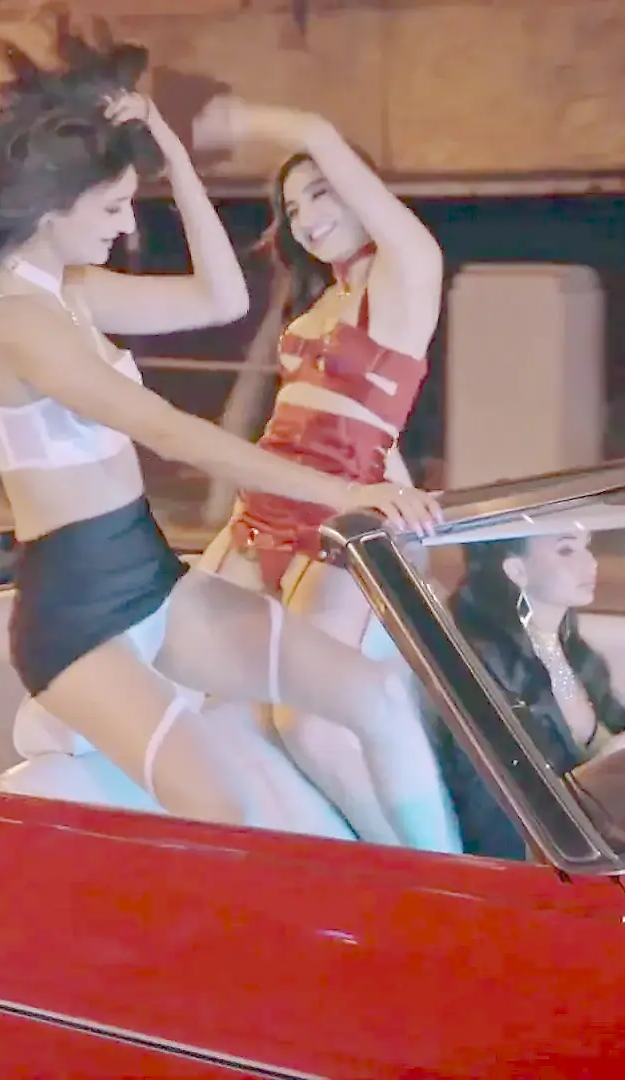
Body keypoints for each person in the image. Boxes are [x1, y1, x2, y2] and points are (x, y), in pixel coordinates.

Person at [0, 8, 456, 850]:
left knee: (372, 697)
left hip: (153, 583)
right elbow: (167, 431)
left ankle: (455, 893)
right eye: (114, 206)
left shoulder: (72, 293)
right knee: (229, 809)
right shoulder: (13, 322)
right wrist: (348, 492)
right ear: (52, 206)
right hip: (81, 618)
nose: (129, 227)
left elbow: (221, 298)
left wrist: (168, 151)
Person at [189, 98, 446, 846]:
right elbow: (360, 421)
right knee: (171, 669)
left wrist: (240, 122)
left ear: (361, 186)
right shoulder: (325, 298)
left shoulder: (408, 272)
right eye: (293, 207)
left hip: (333, 524)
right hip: (261, 510)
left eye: (322, 192)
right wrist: (397, 480)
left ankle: (419, 869)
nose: (305, 218)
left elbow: (316, 134)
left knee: (308, 724)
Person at [435, 529, 625, 860]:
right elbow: (499, 821)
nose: (590, 563)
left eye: (587, 547)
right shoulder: (482, 668)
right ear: (517, 570)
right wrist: (598, 777)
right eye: (566, 551)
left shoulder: (573, 653)